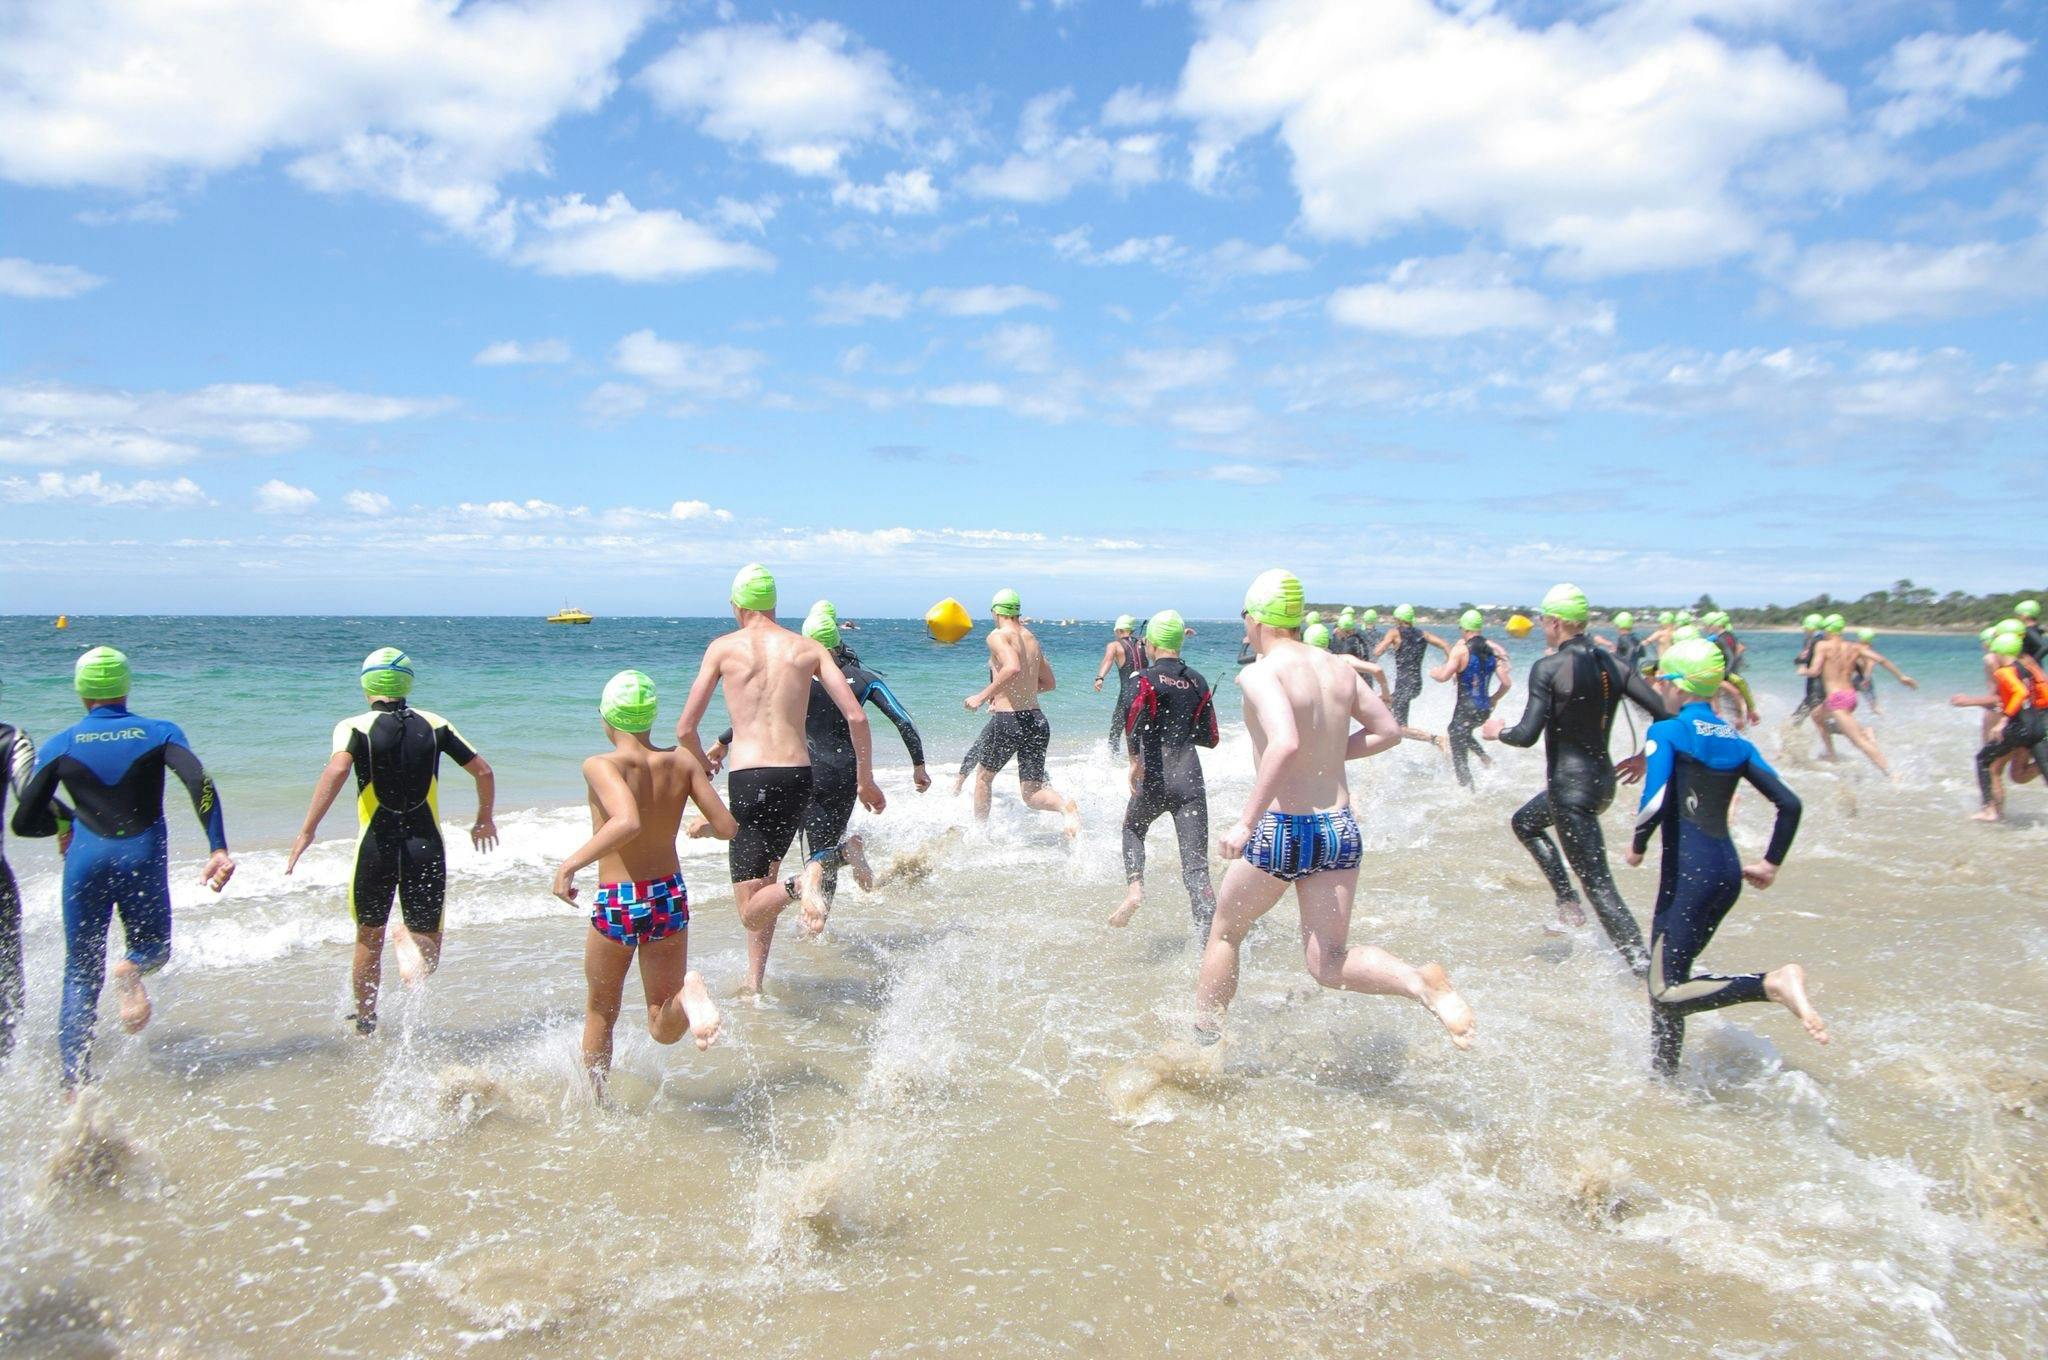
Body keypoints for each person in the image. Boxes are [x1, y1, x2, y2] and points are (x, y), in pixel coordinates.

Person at [1195, 570, 1474, 1049]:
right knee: (1329, 961)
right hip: (1339, 828)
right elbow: (1388, 731)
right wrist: (1327, 754)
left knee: (1225, 933)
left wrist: (1245, 822)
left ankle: (1202, 1045)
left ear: (1256, 618)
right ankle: (1418, 983)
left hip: (1283, 829)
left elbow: (1285, 742)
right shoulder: (1338, 668)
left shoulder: (1261, 672)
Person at [11, 647, 235, 1090]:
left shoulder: (61, 743)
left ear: (82, 692)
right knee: (154, 948)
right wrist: (217, 847)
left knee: (80, 972)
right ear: (125, 686)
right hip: (140, 856)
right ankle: (131, 968)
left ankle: (75, 1087)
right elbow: (200, 782)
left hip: (84, 862)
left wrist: (63, 823)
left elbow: (23, 820)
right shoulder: (160, 733)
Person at [677, 565, 885, 993]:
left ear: (737, 605)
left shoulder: (723, 648)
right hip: (799, 777)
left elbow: (685, 729)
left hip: (750, 778)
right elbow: (857, 717)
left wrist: (705, 765)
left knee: (750, 908)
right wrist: (865, 779)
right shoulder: (807, 648)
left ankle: (802, 882)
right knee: (762, 884)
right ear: (773, 604)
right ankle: (755, 981)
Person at [1624, 639, 1826, 1076]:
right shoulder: (1736, 741)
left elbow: (1654, 800)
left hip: (1690, 877)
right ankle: (1664, 1077)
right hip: (1725, 874)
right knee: (1673, 980)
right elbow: (1790, 804)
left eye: (1662, 681)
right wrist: (1770, 863)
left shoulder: (1668, 731)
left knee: (1662, 990)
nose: (1659, 688)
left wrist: (1637, 845)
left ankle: (1769, 984)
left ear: (1679, 686)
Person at [286, 649, 497, 1034]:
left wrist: (307, 831)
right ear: (407, 683)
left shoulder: (353, 727)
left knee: (368, 937)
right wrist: (483, 818)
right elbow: (483, 771)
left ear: (367, 685)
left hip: (376, 848)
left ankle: (366, 1019)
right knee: (427, 954)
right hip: (425, 848)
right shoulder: (436, 724)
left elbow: (337, 769)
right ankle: (407, 940)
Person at [553, 671, 731, 1091]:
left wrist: (569, 866)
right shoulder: (682, 762)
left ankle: (598, 1100)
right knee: (661, 1023)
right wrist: (703, 828)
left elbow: (627, 821)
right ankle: (686, 999)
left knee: (601, 1011)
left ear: (606, 718)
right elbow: (727, 826)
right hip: (668, 895)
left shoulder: (600, 765)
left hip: (619, 899)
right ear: (650, 718)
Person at [705, 600, 928, 933]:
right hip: (843, 775)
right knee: (823, 849)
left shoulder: (793, 678)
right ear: (838, 640)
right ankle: (822, 912)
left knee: (807, 853)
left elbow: (763, 718)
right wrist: (918, 766)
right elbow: (903, 720)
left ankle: (811, 919)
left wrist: (723, 741)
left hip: (801, 769)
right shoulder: (863, 678)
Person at [1481, 585, 1667, 973]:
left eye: (1543, 621)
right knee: (1525, 822)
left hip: (1570, 790)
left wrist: (1498, 732)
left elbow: (1526, 734)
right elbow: (1666, 715)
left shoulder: (1549, 668)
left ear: (1554, 622)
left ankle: (1644, 971)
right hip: (1602, 785)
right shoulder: (1615, 663)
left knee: (1599, 886)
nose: (1541, 626)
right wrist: (1645, 758)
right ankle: (1567, 902)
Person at [1110, 611, 1220, 936]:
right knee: (1197, 870)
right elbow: (1211, 737)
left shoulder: (1142, 678)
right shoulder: (1198, 681)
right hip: (1189, 779)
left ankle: (1135, 889)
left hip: (1153, 776)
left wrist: (1134, 761)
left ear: (1153, 644)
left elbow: (1131, 716)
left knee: (1133, 828)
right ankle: (1209, 944)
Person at [964, 588, 1078, 838]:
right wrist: (1015, 691)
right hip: (1037, 720)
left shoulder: (997, 636)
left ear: (996, 612)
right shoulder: (1031, 638)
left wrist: (982, 697)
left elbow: (1012, 667)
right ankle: (1065, 808)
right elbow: (1049, 683)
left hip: (1009, 720)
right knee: (1032, 793)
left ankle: (979, 835)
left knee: (983, 778)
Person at [0, 701, 59, 1061]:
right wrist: (69, 822)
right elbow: (30, 797)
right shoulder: (10, 738)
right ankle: (8, 1064)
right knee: (5, 979)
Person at [1801, 616, 1916, 775]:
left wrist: (1804, 670)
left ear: (1828, 630)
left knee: (1859, 742)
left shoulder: (1823, 646)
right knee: (1816, 715)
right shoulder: (1854, 647)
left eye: (1824, 630)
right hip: (1850, 696)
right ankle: (1831, 753)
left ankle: (1891, 773)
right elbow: (1881, 660)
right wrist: (1901, 676)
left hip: (1837, 699)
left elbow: (1814, 671)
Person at [1961, 631, 2048, 822]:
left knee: (1983, 760)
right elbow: (2042, 694)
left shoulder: (2004, 672)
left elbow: (2020, 692)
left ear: (2000, 652)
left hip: (2020, 728)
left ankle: (1989, 810)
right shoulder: (2026, 668)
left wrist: (2003, 721)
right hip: (2037, 726)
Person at [1430, 610, 1512, 789]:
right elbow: (1506, 683)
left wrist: (1434, 672)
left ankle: (1468, 792)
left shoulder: (1461, 650)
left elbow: (1444, 676)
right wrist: (1494, 698)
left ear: (1464, 629)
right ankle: (1484, 758)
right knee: (1459, 731)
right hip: (1484, 710)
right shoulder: (1491, 652)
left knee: (1460, 756)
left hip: (1466, 709)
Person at [1371, 604, 1450, 726]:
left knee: (1400, 725)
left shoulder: (1394, 633)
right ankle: (1389, 732)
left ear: (1398, 619)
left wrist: (1382, 647)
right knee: (1385, 705)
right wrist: (1448, 667)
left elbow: (1377, 652)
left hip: (1404, 685)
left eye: (1395, 619)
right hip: (1416, 685)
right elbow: (1445, 645)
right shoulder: (1424, 634)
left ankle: (1433, 737)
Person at [1093, 614, 1147, 760]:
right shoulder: (1145, 642)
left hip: (1128, 695)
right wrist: (1183, 633)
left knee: (1116, 731)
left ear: (1118, 630)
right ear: (1132, 630)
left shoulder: (1115, 646)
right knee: (1145, 730)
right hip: (1147, 693)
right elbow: (1164, 642)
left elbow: (1108, 660)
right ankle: (1145, 759)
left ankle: (1113, 761)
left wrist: (1100, 678)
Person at [1788, 612, 1828, 722]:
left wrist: (1799, 662)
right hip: (1825, 686)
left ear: (1811, 628)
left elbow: (1804, 659)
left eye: (1806, 628)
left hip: (1816, 687)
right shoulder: (1825, 640)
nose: (1804, 630)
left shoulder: (1814, 641)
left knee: (1795, 721)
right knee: (1822, 720)